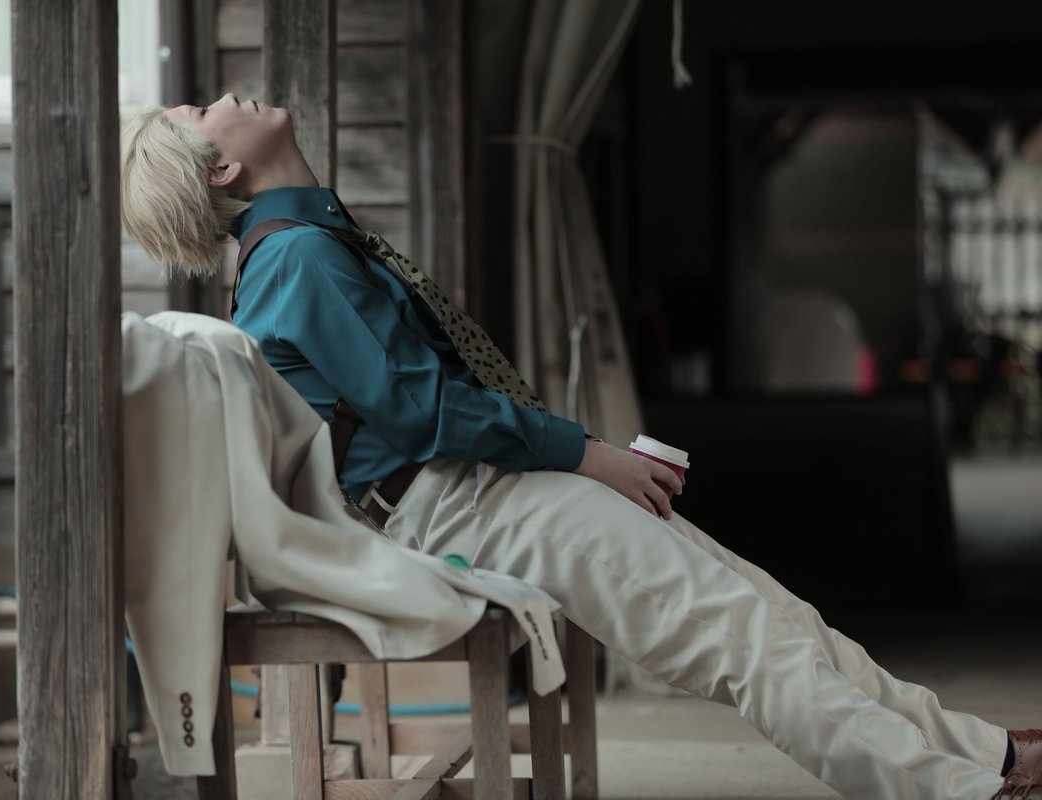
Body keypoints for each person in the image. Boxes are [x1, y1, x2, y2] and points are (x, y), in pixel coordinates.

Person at [119, 92, 1041, 800]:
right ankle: (958, 790)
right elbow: (422, 409)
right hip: (464, 501)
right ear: (222, 171)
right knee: (742, 638)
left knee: (774, 616)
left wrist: (578, 451)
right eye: (200, 111)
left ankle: (984, 755)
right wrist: (588, 452)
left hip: (481, 486)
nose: (225, 97)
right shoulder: (298, 258)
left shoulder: (309, 242)